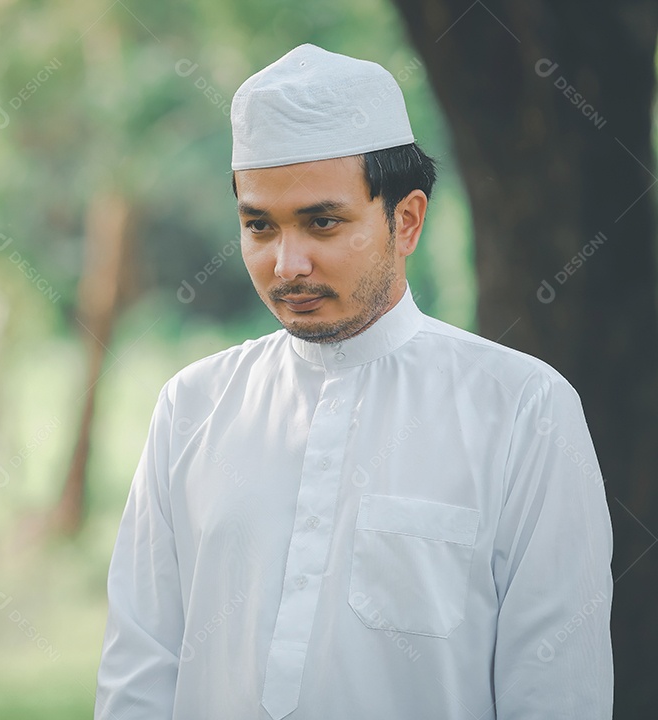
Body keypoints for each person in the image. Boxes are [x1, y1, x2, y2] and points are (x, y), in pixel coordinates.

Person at [93, 43, 613, 720]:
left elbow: (556, 691)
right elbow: (139, 672)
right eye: (259, 226)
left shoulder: (524, 410)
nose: (288, 264)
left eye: (323, 222)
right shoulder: (191, 406)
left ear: (406, 220)